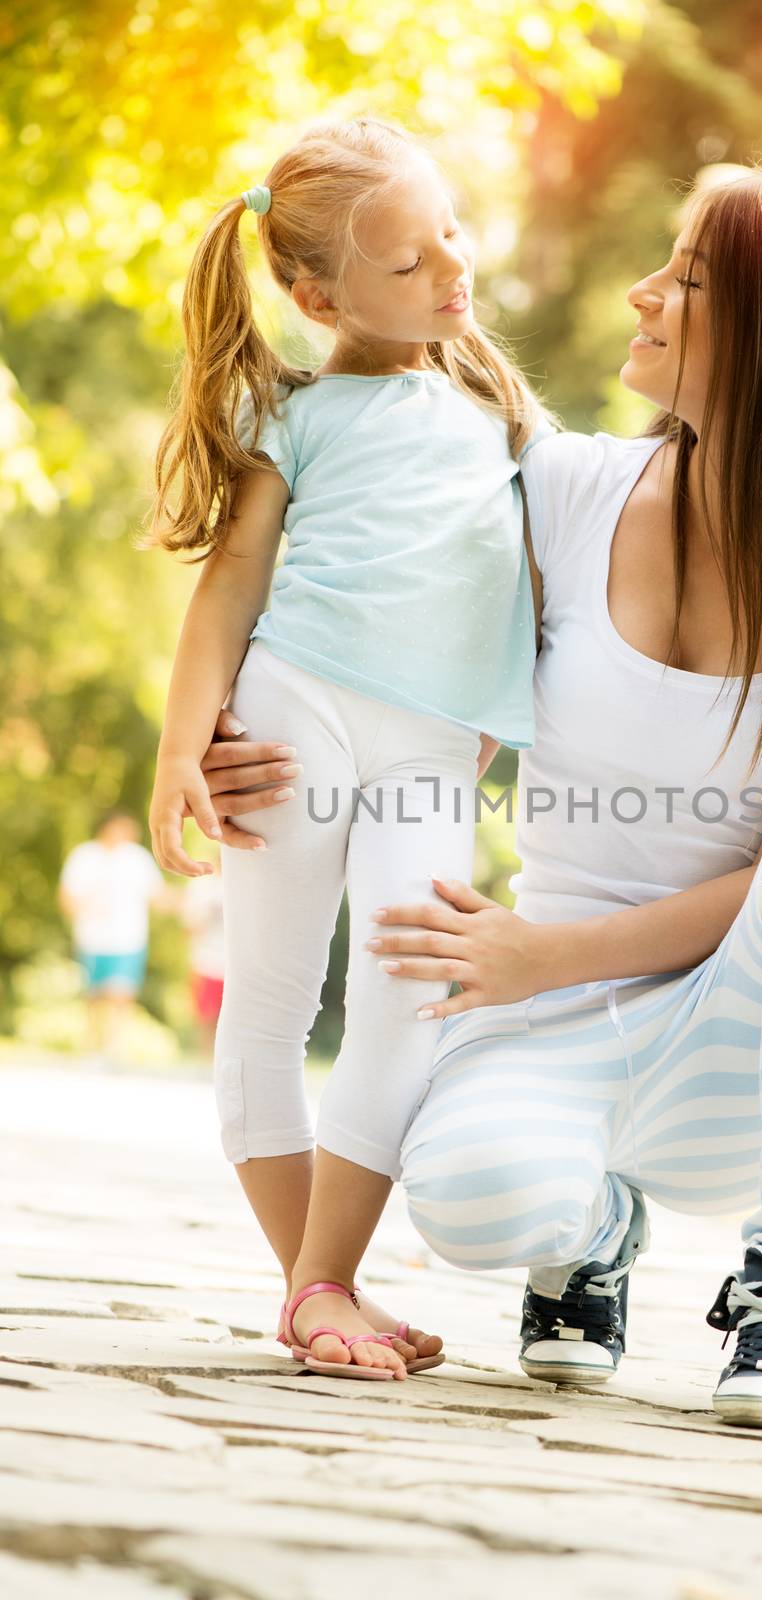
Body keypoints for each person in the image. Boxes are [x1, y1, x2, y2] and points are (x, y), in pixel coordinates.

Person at [193, 167, 762, 1430]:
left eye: (688, 280)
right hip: (545, 1022)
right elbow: (366, 602)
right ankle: (594, 1224)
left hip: (728, 1045)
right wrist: (240, 727)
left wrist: (545, 952)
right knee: (467, 1201)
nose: (641, 292)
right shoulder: (560, 492)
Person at [145, 118, 552, 1382]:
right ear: (316, 294)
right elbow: (229, 588)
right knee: (270, 1002)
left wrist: (495, 724)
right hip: (294, 714)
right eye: (409, 264)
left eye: (452, 234)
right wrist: (177, 752)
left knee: (408, 992)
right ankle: (319, 1286)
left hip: (430, 743)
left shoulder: (499, 412)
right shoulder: (296, 413)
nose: (451, 271)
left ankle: (323, 1283)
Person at [58, 810, 169, 1061]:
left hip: (128, 939)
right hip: (92, 938)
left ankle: (114, 1048)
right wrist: (86, 908)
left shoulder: (137, 858)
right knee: (94, 995)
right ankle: (92, 1046)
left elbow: (158, 896)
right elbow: (67, 897)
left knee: (122, 992)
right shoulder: (85, 856)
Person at [179, 854, 226, 1058]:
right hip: (207, 960)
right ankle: (204, 1059)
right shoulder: (203, 887)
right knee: (206, 1016)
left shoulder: (251, 885)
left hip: (239, 964)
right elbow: (189, 926)